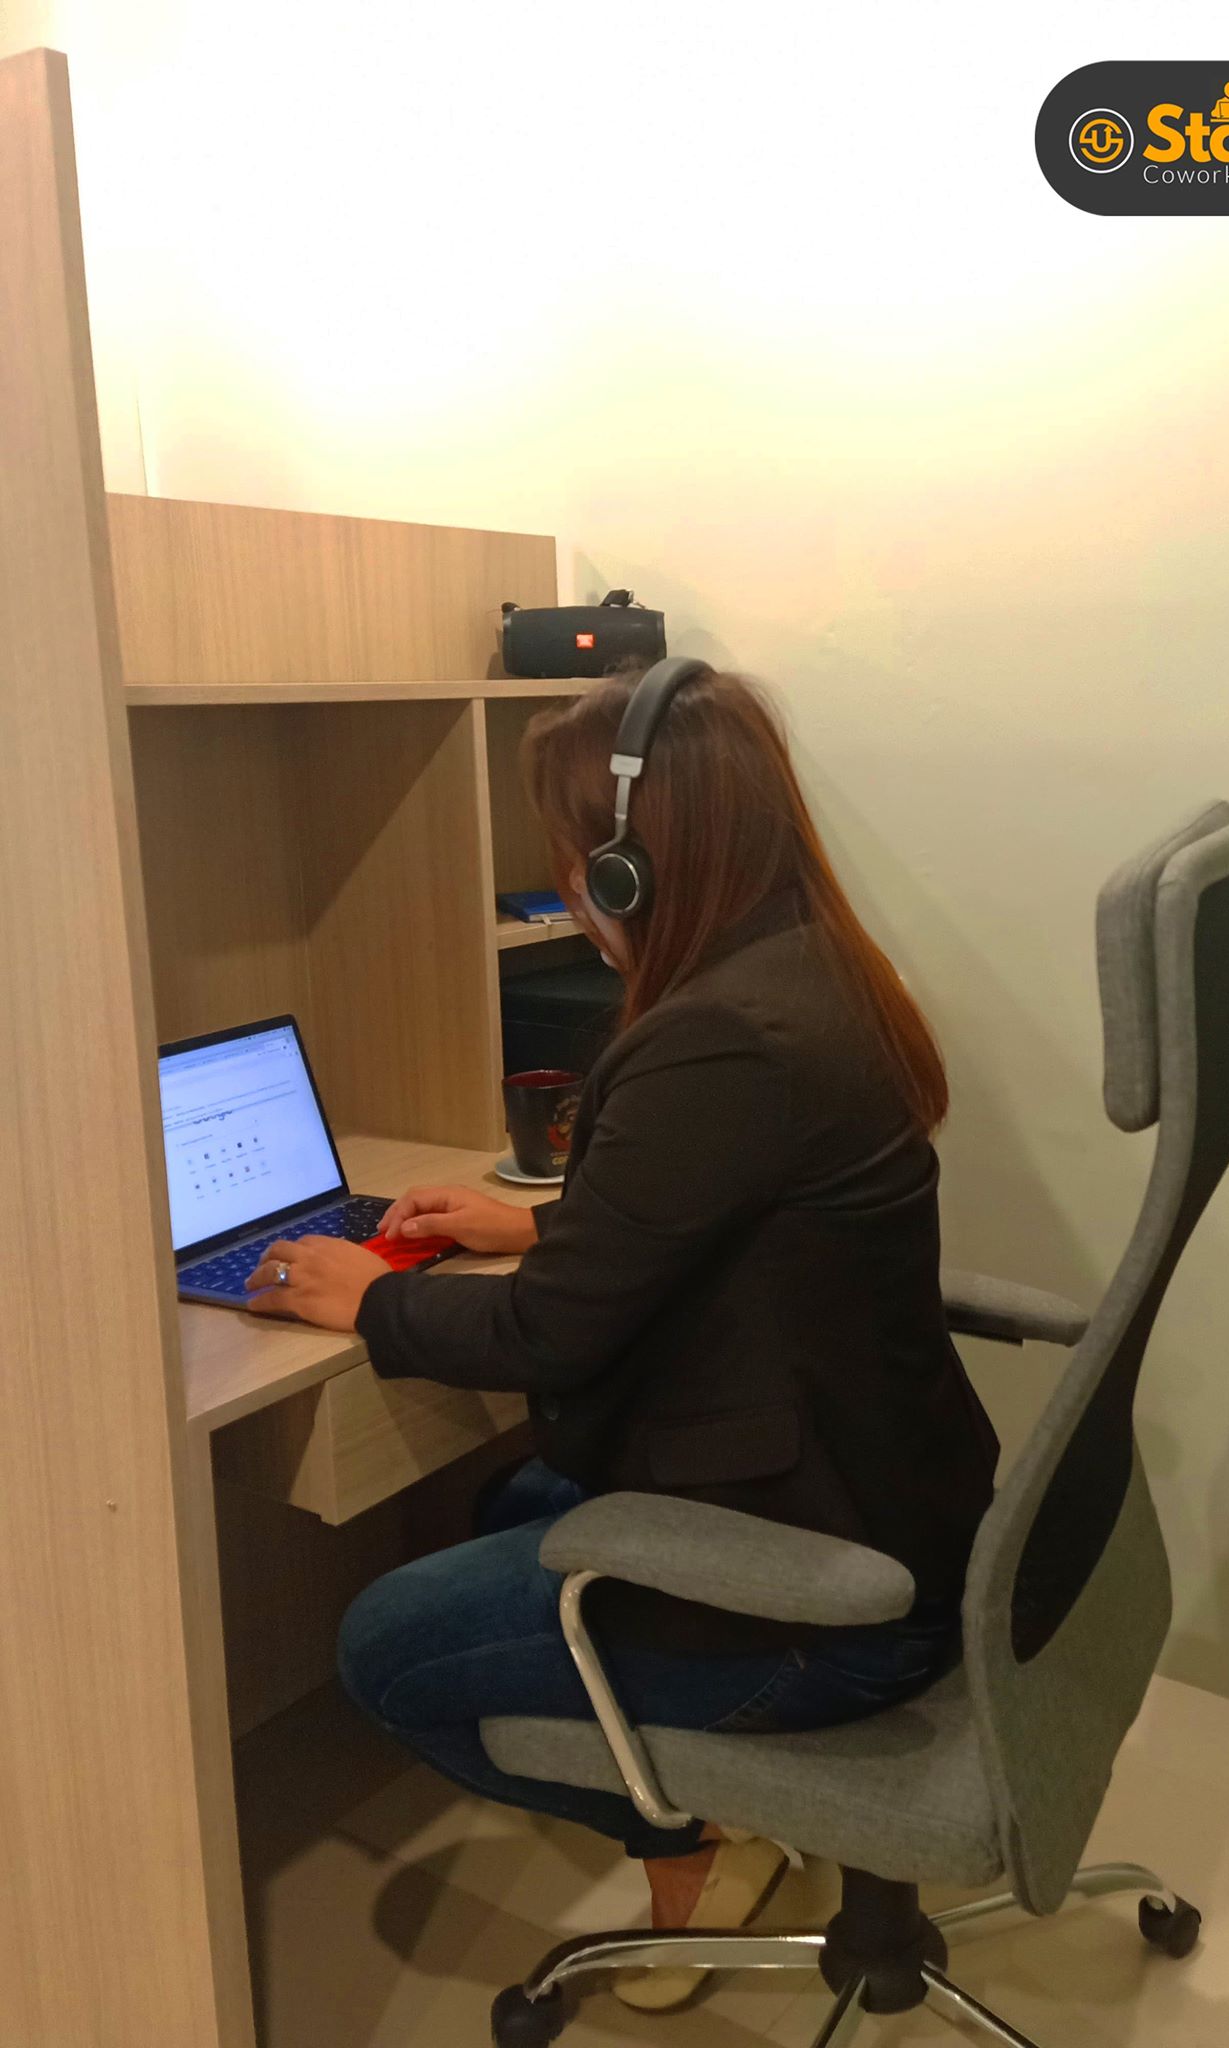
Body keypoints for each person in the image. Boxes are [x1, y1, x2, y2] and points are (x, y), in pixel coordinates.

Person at [244, 662, 998, 2010]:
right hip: (897, 1499)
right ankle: (705, 1808)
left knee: (382, 1652)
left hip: (834, 1596)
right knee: (507, 1499)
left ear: (628, 868)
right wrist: (535, 1223)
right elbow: (734, 1216)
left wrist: (369, 1298)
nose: (569, 885)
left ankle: (688, 1839)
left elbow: (550, 1335)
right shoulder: (813, 969)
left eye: (571, 856)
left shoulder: (718, 1039)